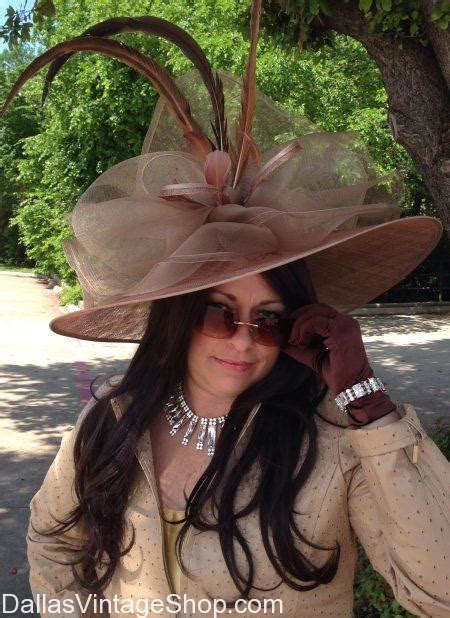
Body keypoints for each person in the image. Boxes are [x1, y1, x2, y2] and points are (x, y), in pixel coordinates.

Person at [2, 2, 449, 616]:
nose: (243, 340)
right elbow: (55, 544)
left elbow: (440, 593)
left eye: (269, 318)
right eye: (219, 312)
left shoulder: (336, 443)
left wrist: (368, 403)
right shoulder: (110, 422)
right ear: (177, 319)